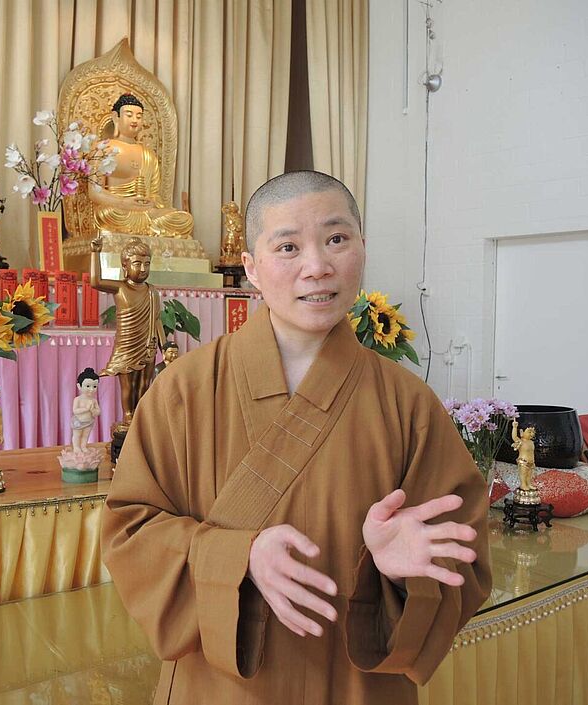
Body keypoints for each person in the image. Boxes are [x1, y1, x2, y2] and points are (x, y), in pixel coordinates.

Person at [101, 171, 492, 704]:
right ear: (252, 268)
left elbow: (461, 553)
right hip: (220, 687)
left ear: (361, 248)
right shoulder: (184, 391)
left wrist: (400, 577)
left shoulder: (409, 405)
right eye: (288, 246)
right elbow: (131, 534)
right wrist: (236, 560)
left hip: (355, 686)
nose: (318, 266)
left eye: (336, 239)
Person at [88, 93, 194, 239]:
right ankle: (148, 231)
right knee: (105, 214)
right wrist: (123, 202)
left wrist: (149, 203)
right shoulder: (102, 148)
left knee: (184, 219)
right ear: (115, 117)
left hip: (146, 213)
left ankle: (145, 229)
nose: (134, 120)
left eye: (139, 116)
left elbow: (154, 195)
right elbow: (95, 192)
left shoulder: (149, 155)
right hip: (118, 211)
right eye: (129, 115)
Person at [90, 235, 165, 426]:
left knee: (144, 384)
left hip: (148, 344)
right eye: (137, 263)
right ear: (125, 266)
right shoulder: (120, 287)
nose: (142, 269)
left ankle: (142, 414)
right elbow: (95, 281)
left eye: (147, 264)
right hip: (127, 344)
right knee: (128, 385)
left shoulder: (151, 291)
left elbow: (156, 320)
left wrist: (165, 346)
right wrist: (95, 252)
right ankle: (129, 415)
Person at [70, 367, 102, 453]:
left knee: (85, 435)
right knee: (77, 435)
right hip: (79, 421)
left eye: (94, 386)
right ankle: (76, 447)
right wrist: (86, 409)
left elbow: (98, 412)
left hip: (89, 421)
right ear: (79, 386)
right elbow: (75, 411)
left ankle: (83, 446)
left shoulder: (94, 400)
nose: (91, 389)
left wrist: (93, 411)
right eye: (88, 386)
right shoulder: (78, 399)